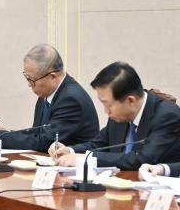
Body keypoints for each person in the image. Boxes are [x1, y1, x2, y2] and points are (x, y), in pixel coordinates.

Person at [51, 61, 180, 170]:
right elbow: (99, 144)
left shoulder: (167, 116)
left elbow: (143, 159)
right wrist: (70, 150)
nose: (106, 111)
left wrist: (88, 158)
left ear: (130, 101)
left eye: (108, 104)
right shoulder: (119, 116)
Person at [0, 44, 99, 151]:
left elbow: (44, 141)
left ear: (52, 77)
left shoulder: (71, 99)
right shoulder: (46, 94)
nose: (29, 84)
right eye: (26, 77)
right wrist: (6, 133)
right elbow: (36, 134)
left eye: (32, 79)